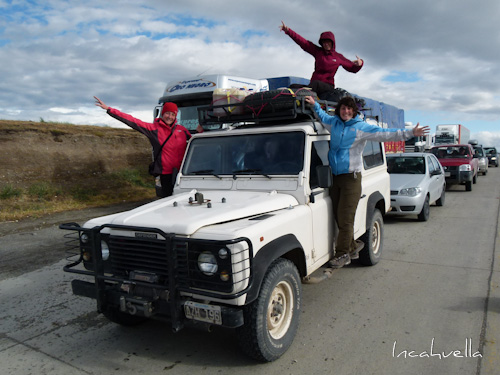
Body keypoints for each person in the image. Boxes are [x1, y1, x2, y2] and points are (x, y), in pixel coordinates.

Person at [304, 95, 429, 268]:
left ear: (354, 111)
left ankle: (343, 255)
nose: (346, 111)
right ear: (338, 110)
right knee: (338, 218)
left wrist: (409, 133)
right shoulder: (334, 123)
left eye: (349, 108)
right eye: (343, 108)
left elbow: (385, 134)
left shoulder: (361, 128)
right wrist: (315, 105)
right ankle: (354, 246)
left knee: (346, 218)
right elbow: (322, 116)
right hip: (334, 178)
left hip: (351, 178)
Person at [94, 96, 195, 198]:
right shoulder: (153, 129)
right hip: (166, 174)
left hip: (183, 172)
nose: (170, 117)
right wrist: (109, 109)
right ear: (162, 114)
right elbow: (133, 121)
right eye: (167, 113)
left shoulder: (182, 130)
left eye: (173, 114)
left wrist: (200, 132)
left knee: (185, 198)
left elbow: (194, 144)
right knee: (168, 201)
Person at [280, 21, 363, 97]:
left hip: (327, 86)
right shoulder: (318, 52)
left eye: (328, 42)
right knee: (293, 86)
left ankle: (305, 95)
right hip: (313, 86)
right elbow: (303, 43)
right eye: (324, 42)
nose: (326, 44)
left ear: (332, 42)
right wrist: (288, 31)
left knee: (316, 84)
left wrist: (360, 63)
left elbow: (352, 68)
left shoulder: (338, 57)